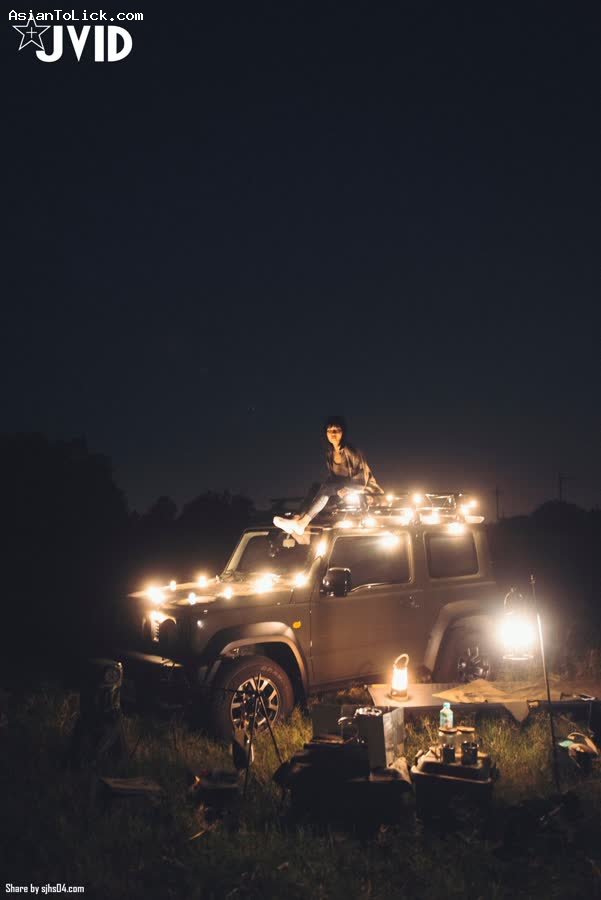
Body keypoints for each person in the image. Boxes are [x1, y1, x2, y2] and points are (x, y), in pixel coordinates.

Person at [273, 415, 384, 536]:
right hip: (341, 490)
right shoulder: (330, 453)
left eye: (336, 430)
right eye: (329, 430)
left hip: (362, 490)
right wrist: (325, 488)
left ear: (343, 432)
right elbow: (333, 479)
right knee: (316, 487)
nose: (332, 433)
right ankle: (296, 519)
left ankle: (302, 523)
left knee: (326, 488)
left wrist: (346, 489)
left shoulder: (352, 451)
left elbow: (361, 482)